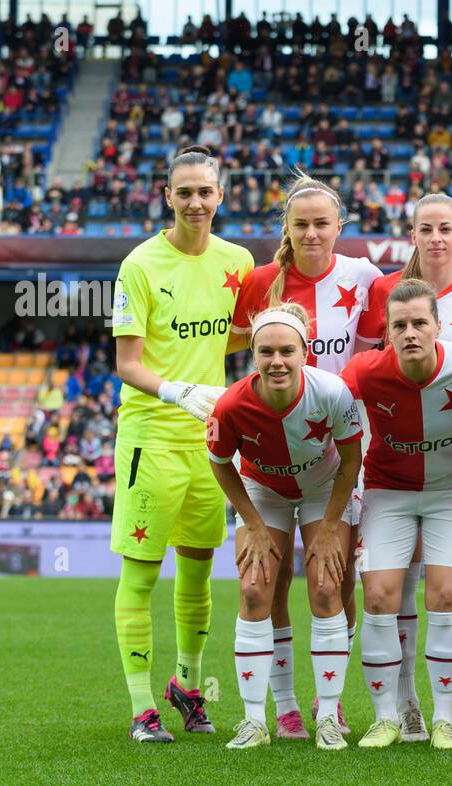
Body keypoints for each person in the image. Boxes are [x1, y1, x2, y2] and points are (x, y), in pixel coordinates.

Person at [110, 145, 255, 742]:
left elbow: (236, 335)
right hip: (152, 437)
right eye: (184, 191)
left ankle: (187, 687)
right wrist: (174, 389)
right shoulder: (140, 265)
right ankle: (143, 707)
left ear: (221, 196)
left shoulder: (239, 262)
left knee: (197, 576)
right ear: (167, 196)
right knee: (142, 578)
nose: (196, 202)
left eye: (206, 191)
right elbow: (127, 362)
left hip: (210, 443)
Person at [230, 171, 383, 738]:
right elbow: (225, 348)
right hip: (268, 459)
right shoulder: (260, 283)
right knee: (266, 580)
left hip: (339, 456)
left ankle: (330, 706)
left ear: (339, 227)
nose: (312, 233)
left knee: (334, 583)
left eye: (323, 223)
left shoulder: (365, 279)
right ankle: (285, 704)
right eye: (302, 224)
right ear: (286, 229)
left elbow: (420, 297)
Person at [361, 192, 452, 741]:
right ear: (412, 232)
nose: (437, 237)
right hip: (389, 471)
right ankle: (399, 710)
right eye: (427, 228)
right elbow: (351, 372)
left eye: (447, 228)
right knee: (388, 590)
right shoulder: (382, 291)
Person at [340, 279, 452, 750]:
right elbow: (318, 398)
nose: (410, 333)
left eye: (419, 323)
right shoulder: (365, 371)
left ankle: (447, 718)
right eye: (400, 325)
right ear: (387, 331)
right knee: (382, 596)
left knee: (447, 592)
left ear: (438, 326)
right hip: (389, 492)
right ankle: (388, 716)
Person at [206, 304, 362, 751]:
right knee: (256, 590)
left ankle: (329, 716)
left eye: (287, 351)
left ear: (305, 352)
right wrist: (251, 524)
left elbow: (351, 460)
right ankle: (262, 718)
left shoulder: (333, 392)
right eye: (266, 352)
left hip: (323, 489)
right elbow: (220, 465)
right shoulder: (231, 404)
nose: (277, 361)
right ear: (252, 354)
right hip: (263, 491)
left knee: (327, 588)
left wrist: (332, 525)